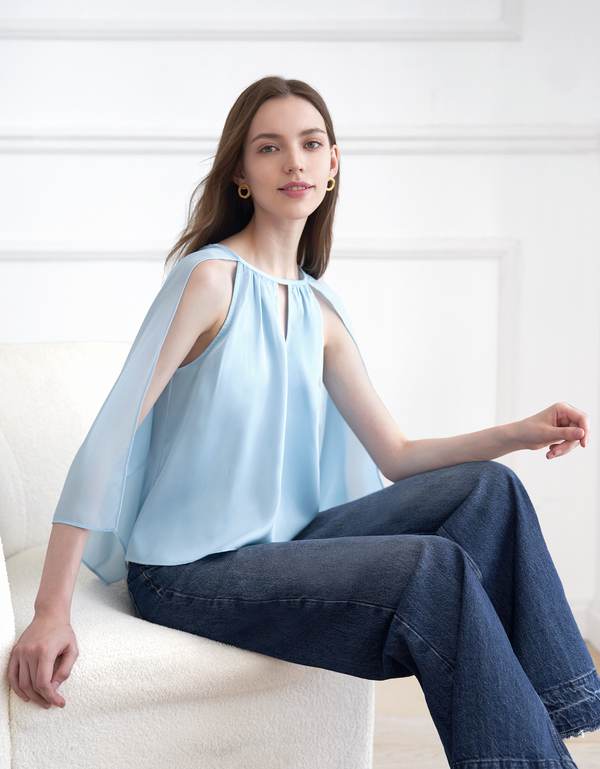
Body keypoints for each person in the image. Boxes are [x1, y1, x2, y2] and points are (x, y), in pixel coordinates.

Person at [7, 76, 599, 769]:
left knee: (491, 490)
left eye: (311, 144)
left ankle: (560, 721)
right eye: (269, 147)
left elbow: (397, 454)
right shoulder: (209, 281)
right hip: (188, 571)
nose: (294, 161)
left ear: (333, 163)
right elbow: (108, 438)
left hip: (288, 545)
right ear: (241, 173)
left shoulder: (321, 310)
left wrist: (518, 432)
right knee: (433, 568)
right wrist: (50, 610)